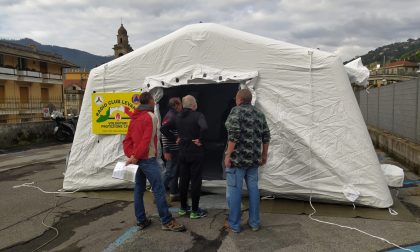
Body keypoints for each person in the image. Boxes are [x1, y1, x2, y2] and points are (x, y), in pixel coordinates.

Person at [123, 92, 186, 232]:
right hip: (147, 158)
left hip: (137, 158)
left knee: (139, 189)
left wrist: (131, 155)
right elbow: (146, 141)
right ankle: (167, 221)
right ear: (151, 101)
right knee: (158, 189)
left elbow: (127, 140)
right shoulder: (151, 117)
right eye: (153, 100)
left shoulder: (134, 117)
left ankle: (141, 220)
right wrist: (137, 156)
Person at [224, 89, 270, 233]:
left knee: (235, 192)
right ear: (250, 100)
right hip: (253, 161)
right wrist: (264, 155)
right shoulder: (259, 114)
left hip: (237, 160)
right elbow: (266, 135)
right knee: (254, 190)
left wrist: (227, 155)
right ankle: (255, 223)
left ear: (239, 99)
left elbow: (234, 136)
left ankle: (235, 224)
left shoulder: (236, 111)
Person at [161, 95, 208, 219]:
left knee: (183, 180)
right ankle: (195, 210)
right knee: (196, 181)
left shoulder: (177, 117)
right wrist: (200, 139)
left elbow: (163, 129)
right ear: (193, 105)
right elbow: (204, 127)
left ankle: (182, 208)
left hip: (182, 153)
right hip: (196, 153)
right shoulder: (198, 115)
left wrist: (176, 138)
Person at [161, 97, 182, 202]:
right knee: (169, 172)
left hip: (174, 149)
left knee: (174, 171)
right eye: (180, 104)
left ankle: (174, 193)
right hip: (172, 149)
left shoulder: (171, 115)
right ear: (176, 105)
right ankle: (158, 195)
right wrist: (167, 150)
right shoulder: (171, 116)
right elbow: (163, 132)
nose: (182, 106)